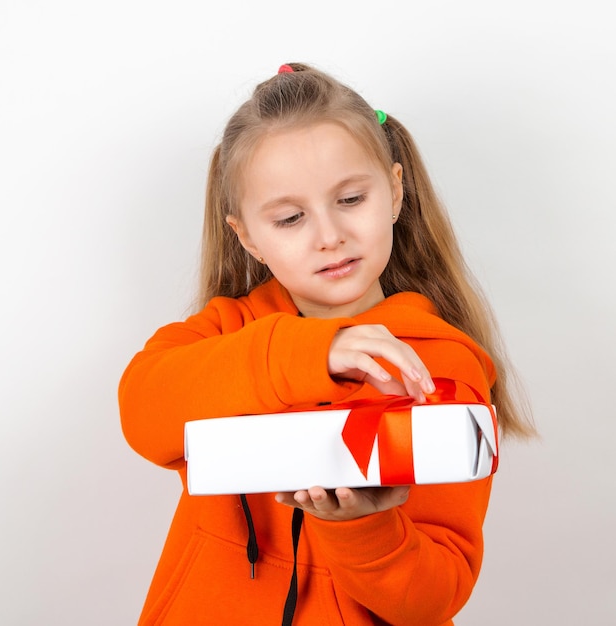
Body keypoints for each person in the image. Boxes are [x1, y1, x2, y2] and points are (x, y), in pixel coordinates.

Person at [118, 62, 535, 626]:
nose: (329, 236)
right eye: (290, 218)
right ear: (248, 237)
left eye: (350, 200)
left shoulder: (438, 364)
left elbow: (434, 597)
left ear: (394, 191)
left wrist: (362, 528)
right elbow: (140, 411)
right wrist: (314, 352)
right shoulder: (224, 333)